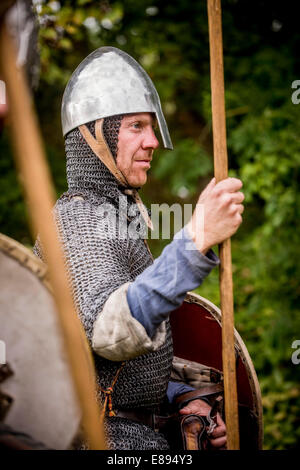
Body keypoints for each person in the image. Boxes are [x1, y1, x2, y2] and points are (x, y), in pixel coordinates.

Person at [34, 47, 244, 450]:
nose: (152, 142)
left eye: (151, 127)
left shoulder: (114, 223)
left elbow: (123, 375)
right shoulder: (79, 220)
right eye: (135, 126)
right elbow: (111, 332)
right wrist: (195, 239)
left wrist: (185, 401)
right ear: (93, 136)